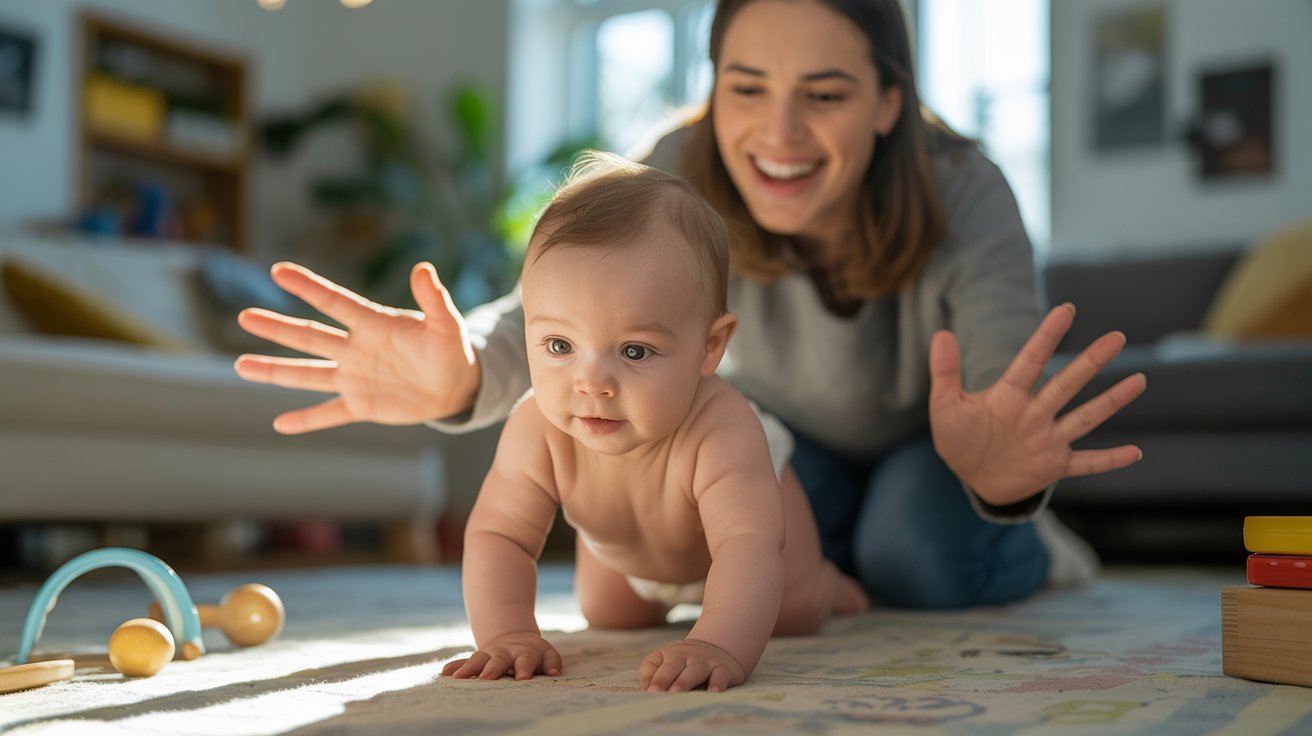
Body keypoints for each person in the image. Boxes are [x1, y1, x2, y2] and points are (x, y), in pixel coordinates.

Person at [235, 0, 1147, 612]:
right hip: (793, 445)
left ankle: (1041, 548)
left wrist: (1003, 473)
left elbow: (1000, 394)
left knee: (913, 550)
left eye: (824, 96)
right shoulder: (680, 164)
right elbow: (559, 307)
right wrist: (465, 368)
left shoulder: (968, 191)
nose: (778, 134)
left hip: (934, 448)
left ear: (888, 103)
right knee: (730, 545)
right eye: (746, 89)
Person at [437, 151, 867, 692]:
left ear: (709, 348)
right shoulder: (536, 428)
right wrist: (506, 633)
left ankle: (832, 585)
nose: (591, 382)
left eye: (635, 351)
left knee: (793, 611)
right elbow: (500, 535)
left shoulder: (723, 428)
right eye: (559, 345)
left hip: (743, 545)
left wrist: (715, 643)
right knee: (610, 615)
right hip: (629, 556)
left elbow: (747, 544)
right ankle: (657, 595)